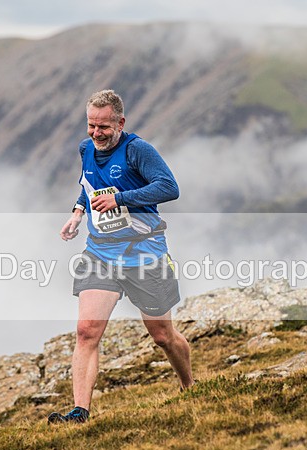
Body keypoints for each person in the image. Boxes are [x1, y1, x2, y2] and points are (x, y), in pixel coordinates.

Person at [48, 89, 194, 424]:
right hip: (100, 253)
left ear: (120, 123)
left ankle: (189, 385)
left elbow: (169, 187)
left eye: (103, 127)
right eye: (91, 125)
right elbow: (88, 185)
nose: (96, 133)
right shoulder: (86, 149)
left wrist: (122, 199)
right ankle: (80, 412)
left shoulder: (137, 150)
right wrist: (77, 213)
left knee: (162, 336)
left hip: (144, 253)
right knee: (87, 331)